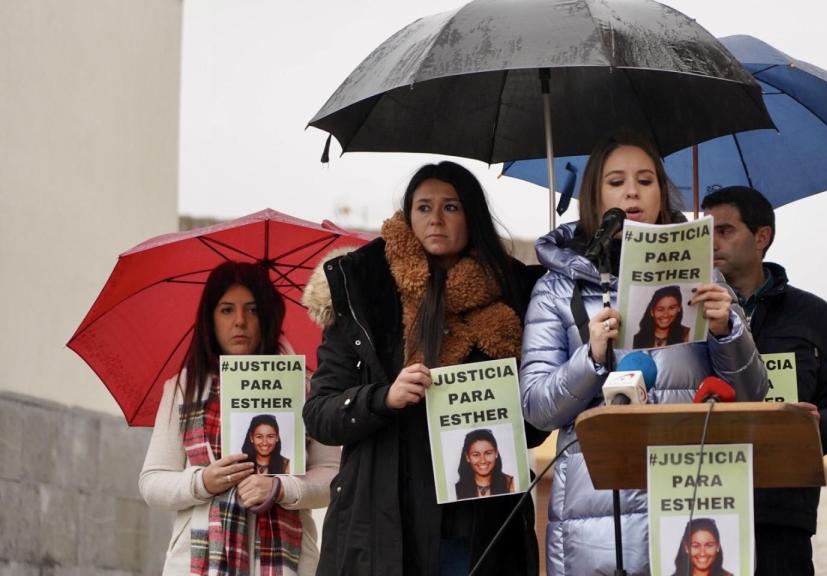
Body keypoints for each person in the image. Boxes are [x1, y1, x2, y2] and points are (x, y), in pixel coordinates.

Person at [519, 131, 768, 576]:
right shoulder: (556, 288)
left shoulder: (705, 275)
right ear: (595, 195)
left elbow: (752, 392)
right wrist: (591, 357)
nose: (632, 191)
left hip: (689, 500)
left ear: (662, 192)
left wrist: (726, 331)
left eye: (645, 180)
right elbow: (537, 409)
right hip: (593, 516)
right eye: (616, 181)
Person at [302, 161, 547, 576]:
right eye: (423, 207)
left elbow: (537, 424)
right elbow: (320, 414)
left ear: (472, 216)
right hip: (383, 529)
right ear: (407, 217)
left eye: (450, 207)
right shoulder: (364, 295)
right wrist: (383, 398)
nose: (435, 219)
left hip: (477, 529)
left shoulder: (517, 296)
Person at [701, 186, 827, 576]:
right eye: (704, 233)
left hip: (782, 516)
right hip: (697, 507)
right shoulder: (682, 313)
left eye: (724, 231)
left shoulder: (815, 317)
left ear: (762, 237)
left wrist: (817, 427)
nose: (711, 243)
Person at [139, 261, 339, 575]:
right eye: (227, 310)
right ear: (210, 318)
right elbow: (151, 483)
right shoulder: (183, 389)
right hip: (198, 563)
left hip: (288, 562)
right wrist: (202, 481)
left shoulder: (307, 386)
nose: (240, 322)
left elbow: (333, 476)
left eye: (253, 309)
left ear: (268, 316)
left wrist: (281, 489)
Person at [454, 428, 515, 500]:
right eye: (476, 455)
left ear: (496, 453)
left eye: (488, 453)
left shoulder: (511, 483)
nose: (483, 460)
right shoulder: (456, 489)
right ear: (467, 457)